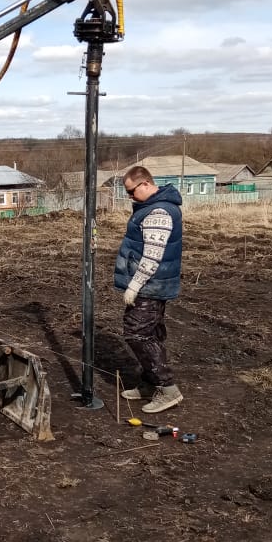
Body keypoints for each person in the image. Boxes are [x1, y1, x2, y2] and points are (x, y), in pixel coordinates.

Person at [113, 166, 184, 413]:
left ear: (145, 184)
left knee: (137, 334)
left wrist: (134, 285)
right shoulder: (150, 208)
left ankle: (167, 390)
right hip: (152, 284)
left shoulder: (158, 212)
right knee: (151, 333)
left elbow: (152, 257)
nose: (130, 197)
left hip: (151, 286)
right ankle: (149, 383)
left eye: (131, 191)